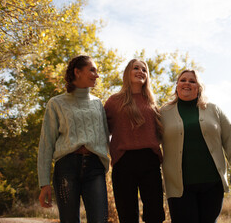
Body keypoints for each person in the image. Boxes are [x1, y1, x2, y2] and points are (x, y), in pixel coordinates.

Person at [160, 69, 231, 223]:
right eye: (183, 80)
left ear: (199, 87)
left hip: (212, 183)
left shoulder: (213, 110)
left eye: (192, 81)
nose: (187, 83)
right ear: (177, 85)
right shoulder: (163, 112)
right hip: (179, 186)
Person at [37, 55, 110, 223]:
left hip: (94, 169)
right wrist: (44, 183)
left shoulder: (98, 103)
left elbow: (105, 137)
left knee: (100, 220)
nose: (96, 75)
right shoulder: (56, 103)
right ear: (77, 72)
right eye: (92, 70)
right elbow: (46, 144)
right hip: (66, 169)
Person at [104, 59, 165, 223]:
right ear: (127, 73)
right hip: (124, 161)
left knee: (155, 214)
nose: (140, 71)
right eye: (135, 68)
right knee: (127, 215)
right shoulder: (114, 101)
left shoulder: (152, 103)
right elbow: (102, 131)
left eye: (144, 69)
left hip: (150, 160)